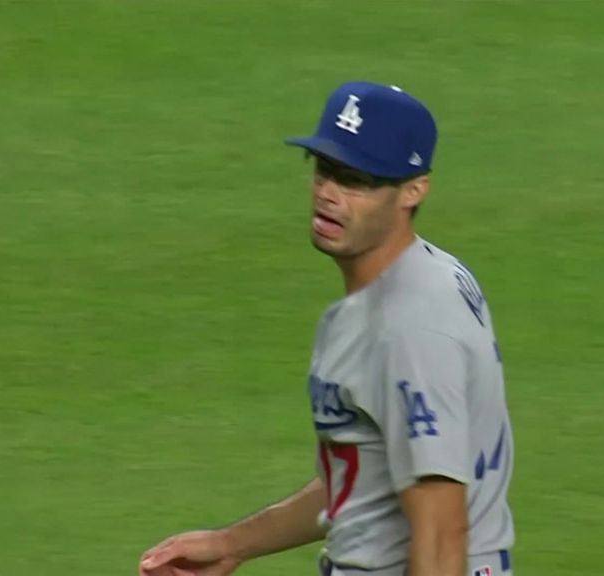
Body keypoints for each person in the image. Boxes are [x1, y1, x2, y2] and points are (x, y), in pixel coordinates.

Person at [140, 81, 516, 576]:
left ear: (413, 190)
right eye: (325, 170)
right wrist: (234, 544)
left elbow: (442, 528)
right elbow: (364, 481)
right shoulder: (430, 274)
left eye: (356, 180)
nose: (328, 193)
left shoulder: (411, 330)